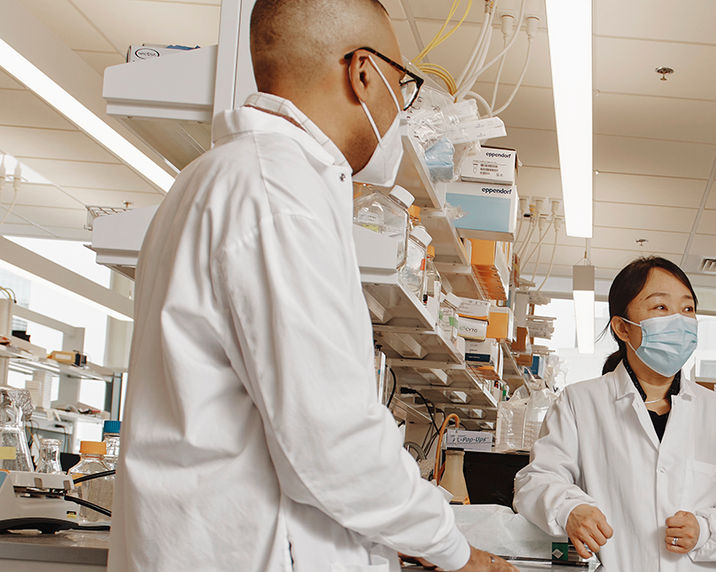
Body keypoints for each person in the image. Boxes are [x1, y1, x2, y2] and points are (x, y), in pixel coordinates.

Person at [108, 1, 513, 570]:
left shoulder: (220, 178)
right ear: (362, 72)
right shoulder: (279, 196)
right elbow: (332, 439)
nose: (401, 106)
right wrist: (453, 549)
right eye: (404, 85)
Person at [513, 257, 716, 570]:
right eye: (660, 307)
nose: (679, 320)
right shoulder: (580, 402)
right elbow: (536, 481)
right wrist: (569, 510)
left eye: (687, 309)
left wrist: (705, 530)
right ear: (622, 327)